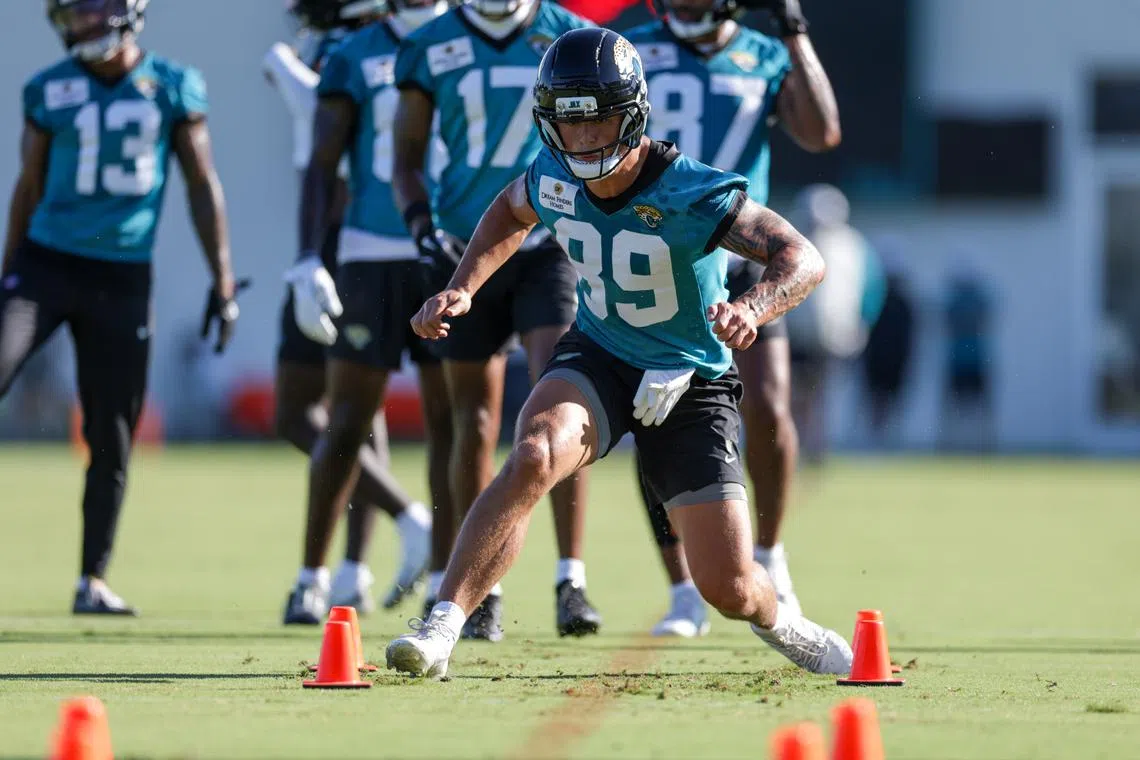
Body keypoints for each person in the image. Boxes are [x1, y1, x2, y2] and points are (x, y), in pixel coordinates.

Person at [386, 27, 852, 679]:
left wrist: (754, 307)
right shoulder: (551, 175)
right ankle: (442, 625)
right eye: (567, 124)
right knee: (534, 454)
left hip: (693, 380)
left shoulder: (692, 191)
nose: (581, 141)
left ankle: (784, 620)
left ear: (631, 115)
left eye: (596, 121)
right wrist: (462, 287)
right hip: (600, 355)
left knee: (730, 588)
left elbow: (804, 257)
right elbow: (507, 211)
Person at [0, 0, 240, 615]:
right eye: (72, 10)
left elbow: (201, 184)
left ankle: (92, 579)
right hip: (45, 266)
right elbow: (27, 186)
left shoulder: (171, 85)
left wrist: (223, 280)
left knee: (112, 430)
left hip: (123, 276)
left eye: (91, 7)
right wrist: (9, 275)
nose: (80, 21)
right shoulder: (48, 89)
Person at [624, 0, 840, 637]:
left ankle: (771, 556)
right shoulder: (633, 48)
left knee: (770, 405)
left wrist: (794, 31)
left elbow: (822, 131)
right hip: (659, 248)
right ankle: (682, 588)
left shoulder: (763, 51)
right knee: (653, 415)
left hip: (741, 244)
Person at [392, 0, 601, 640]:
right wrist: (423, 228)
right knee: (472, 422)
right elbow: (405, 156)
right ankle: (484, 587)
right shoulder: (430, 44)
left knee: (559, 408)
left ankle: (571, 577)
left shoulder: (569, 34)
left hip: (552, 248)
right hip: (468, 247)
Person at [279, 0, 454, 625]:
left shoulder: (471, 36)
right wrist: (307, 257)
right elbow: (322, 162)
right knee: (347, 416)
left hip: (449, 250)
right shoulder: (356, 52)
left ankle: (447, 581)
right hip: (370, 249)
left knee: (451, 422)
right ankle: (311, 577)